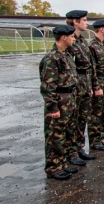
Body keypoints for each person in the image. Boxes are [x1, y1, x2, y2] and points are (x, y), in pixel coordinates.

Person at [40, 25, 78, 180]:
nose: (74, 38)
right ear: (64, 37)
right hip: (59, 100)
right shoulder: (52, 58)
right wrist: (53, 107)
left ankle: (63, 163)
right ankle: (53, 167)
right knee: (55, 135)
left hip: (69, 98)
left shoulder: (66, 55)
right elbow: (48, 86)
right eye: (72, 36)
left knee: (66, 133)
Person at [65, 10, 95, 163]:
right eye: (84, 20)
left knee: (82, 119)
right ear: (75, 22)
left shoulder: (82, 41)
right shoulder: (68, 41)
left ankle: (79, 148)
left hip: (85, 84)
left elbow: (89, 65)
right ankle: (71, 153)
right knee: (72, 121)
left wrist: (91, 85)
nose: (87, 23)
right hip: (74, 86)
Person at [88, 19, 104, 151]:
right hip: (98, 81)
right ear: (102, 29)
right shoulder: (92, 46)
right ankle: (95, 140)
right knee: (95, 113)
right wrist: (96, 87)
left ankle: (102, 137)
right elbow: (92, 69)